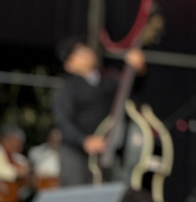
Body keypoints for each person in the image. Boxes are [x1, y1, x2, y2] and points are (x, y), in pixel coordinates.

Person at [51, 37, 147, 186]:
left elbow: (132, 92)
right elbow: (63, 122)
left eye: (85, 49)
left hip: (109, 149)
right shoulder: (67, 89)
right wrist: (84, 140)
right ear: (69, 65)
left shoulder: (110, 79)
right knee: (77, 192)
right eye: (78, 53)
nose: (85, 54)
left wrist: (137, 70)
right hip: (77, 152)